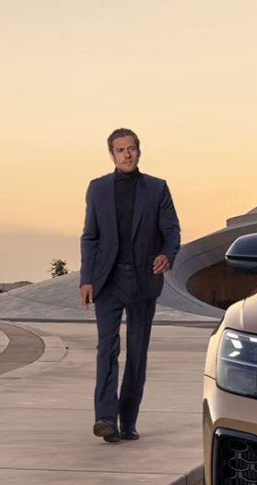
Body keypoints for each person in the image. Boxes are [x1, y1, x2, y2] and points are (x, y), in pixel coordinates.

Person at [79, 128, 181, 443]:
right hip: (107, 281)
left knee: (137, 353)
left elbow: (171, 230)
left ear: (139, 151)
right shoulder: (97, 189)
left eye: (131, 148)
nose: (127, 154)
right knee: (106, 349)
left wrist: (166, 254)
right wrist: (86, 279)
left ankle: (128, 421)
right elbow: (90, 237)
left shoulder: (157, 188)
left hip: (142, 280)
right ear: (112, 154)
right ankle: (105, 418)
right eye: (120, 149)